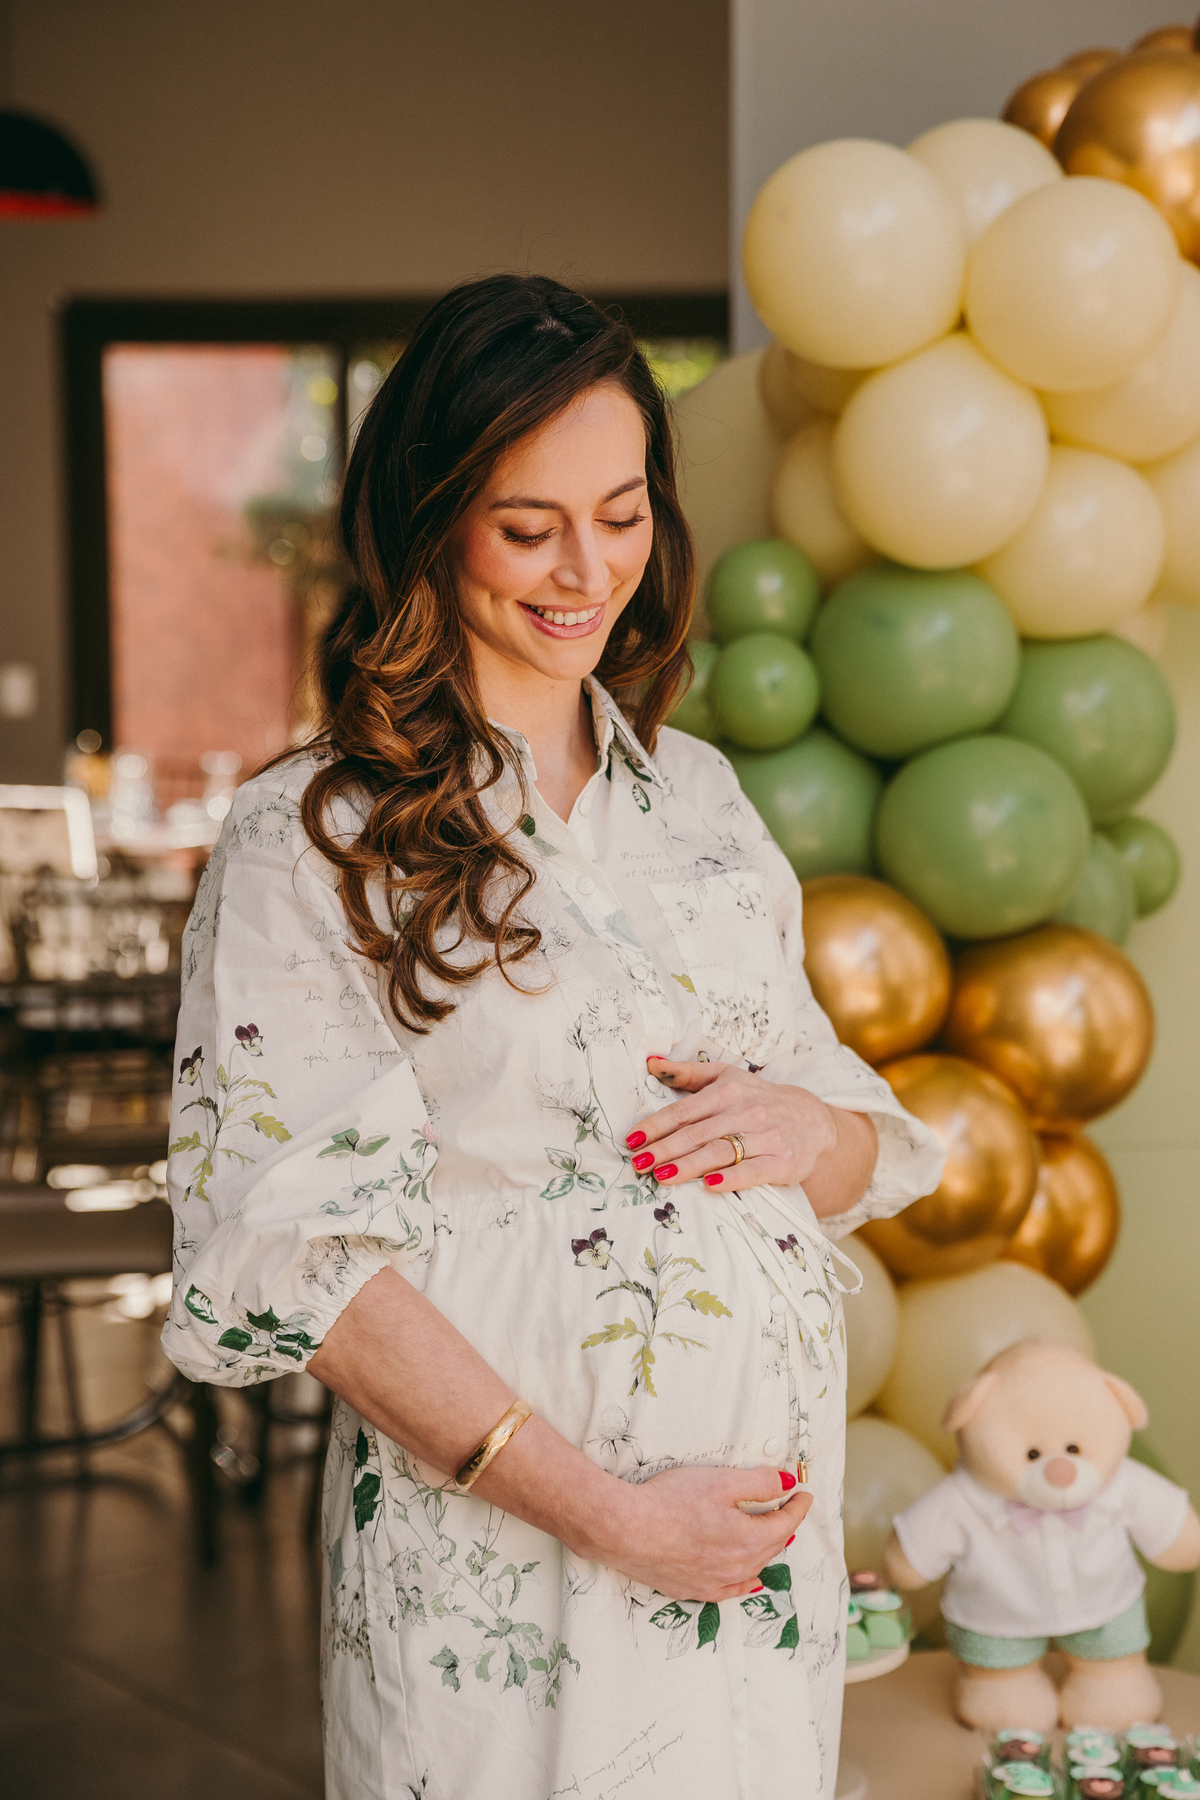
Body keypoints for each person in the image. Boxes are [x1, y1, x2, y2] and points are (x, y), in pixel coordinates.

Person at [162, 274, 943, 1800]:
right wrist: (611, 1516)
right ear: (429, 525)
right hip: (508, 1568)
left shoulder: (698, 797)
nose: (590, 571)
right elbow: (298, 1256)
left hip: (746, 1569)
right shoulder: (312, 836)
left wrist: (813, 1130)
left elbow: (854, 1136)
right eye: (529, 528)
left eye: (624, 513)